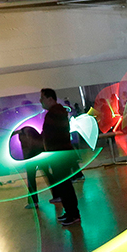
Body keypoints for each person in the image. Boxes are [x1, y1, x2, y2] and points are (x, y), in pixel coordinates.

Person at [38, 88, 81, 227]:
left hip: (59, 156)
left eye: (42, 98)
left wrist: (40, 140)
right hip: (61, 154)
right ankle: (71, 213)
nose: (40, 101)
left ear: (50, 99)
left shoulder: (53, 114)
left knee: (65, 187)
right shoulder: (58, 112)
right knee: (65, 186)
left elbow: (51, 136)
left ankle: (73, 215)